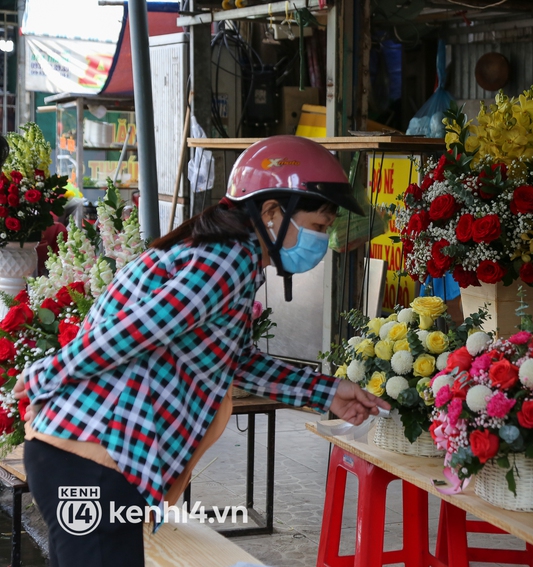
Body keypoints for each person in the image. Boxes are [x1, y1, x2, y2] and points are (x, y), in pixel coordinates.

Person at [14, 136, 389, 567]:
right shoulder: (226, 260)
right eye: (318, 227)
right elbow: (135, 330)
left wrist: (327, 392)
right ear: (271, 213)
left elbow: (236, 360)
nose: (321, 242)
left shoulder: (230, 257)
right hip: (90, 463)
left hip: (85, 460)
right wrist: (46, 375)